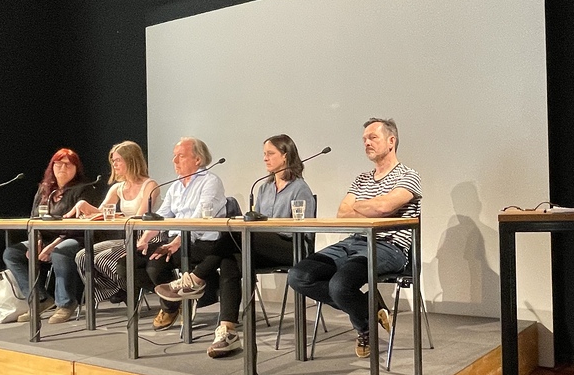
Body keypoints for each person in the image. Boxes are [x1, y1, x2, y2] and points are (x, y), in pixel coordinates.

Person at [287, 118, 420, 358]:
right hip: (353, 242)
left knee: (340, 285)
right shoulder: (361, 179)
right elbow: (343, 212)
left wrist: (361, 205)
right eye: (364, 139)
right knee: (298, 276)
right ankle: (370, 308)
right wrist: (372, 207)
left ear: (391, 141)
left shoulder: (408, 176)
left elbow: (384, 207)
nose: (367, 143)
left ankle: (364, 327)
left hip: (389, 247)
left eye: (373, 137)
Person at [182, 134, 316, 358]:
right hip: (262, 246)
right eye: (264, 154)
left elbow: (305, 229)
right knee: (231, 258)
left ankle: (196, 278)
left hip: (290, 247)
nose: (265, 158)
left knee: (233, 237)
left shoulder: (299, 188)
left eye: (270, 154)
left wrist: (265, 229)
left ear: (285, 156)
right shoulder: (263, 188)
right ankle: (227, 331)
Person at [120, 137, 228, 331]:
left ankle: (173, 305)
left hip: (202, 242)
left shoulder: (210, 182)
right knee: (126, 263)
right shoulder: (176, 185)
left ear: (198, 159)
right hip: (176, 240)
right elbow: (161, 217)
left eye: (181, 156)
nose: (174, 161)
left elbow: (198, 220)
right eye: (174, 156)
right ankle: (175, 301)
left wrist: (178, 242)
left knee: (155, 265)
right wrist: (144, 239)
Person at [3, 148, 99, 324]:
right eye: (58, 164)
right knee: (12, 254)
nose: (62, 168)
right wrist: (37, 241)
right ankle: (40, 300)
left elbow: (79, 225)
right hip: (45, 239)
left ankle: (66, 304)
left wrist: (52, 246)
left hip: (75, 238)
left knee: (60, 251)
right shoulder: (45, 189)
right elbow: (34, 218)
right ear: (52, 166)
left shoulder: (84, 189)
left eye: (68, 165)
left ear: (76, 168)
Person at [68, 141, 159, 305]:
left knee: (102, 259)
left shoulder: (150, 185)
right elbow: (102, 213)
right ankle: (119, 289)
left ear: (131, 160)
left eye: (118, 160)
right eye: (113, 161)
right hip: (128, 238)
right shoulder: (118, 188)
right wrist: (84, 205)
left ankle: (129, 290)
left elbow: (139, 218)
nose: (114, 164)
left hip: (148, 238)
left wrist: (116, 216)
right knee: (82, 257)